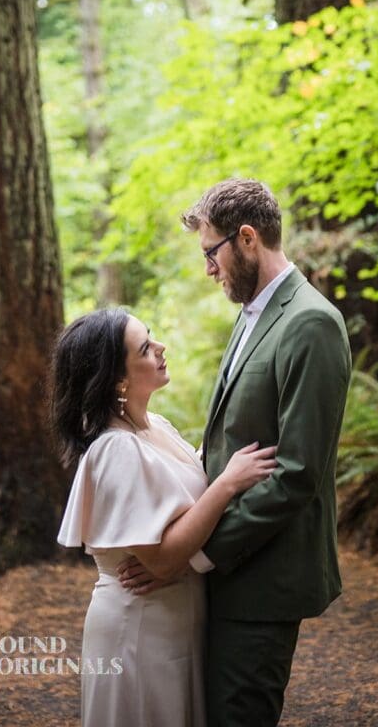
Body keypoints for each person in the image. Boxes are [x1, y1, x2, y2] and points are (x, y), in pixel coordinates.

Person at [119, 178, 352, 727]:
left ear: (247, 239)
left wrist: (191, 556)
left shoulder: (311, 323)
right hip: (228, 573)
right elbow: (233, 438)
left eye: (210, 252)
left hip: (263, 579)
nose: (208, 268)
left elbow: (296, 474)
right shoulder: (253, 312)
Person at [51, 307, 276, 727]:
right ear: (118, 378)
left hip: (173, 622)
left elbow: (187, 511)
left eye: (151, 335)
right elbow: (161, 560)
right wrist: (227, 484)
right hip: (138, 631)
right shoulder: (114, 449)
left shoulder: (156, 427)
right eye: (144, 347)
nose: (160, 347)